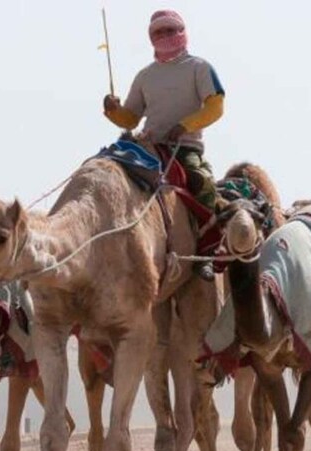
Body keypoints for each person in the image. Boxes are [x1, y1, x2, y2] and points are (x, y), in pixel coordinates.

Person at [102, 9, 224, 280]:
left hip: (185, 147)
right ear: (151, 37)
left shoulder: (199, 67)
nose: (165, 36)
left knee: (201, 182)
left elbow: (215, 106)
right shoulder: (145, 76)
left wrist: (186, 126)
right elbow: (131, 118)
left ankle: (207, 250)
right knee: (105, 173)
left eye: (170, 30)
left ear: (182, 33)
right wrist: (113, 110)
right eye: (159, 32)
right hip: (148, 146)